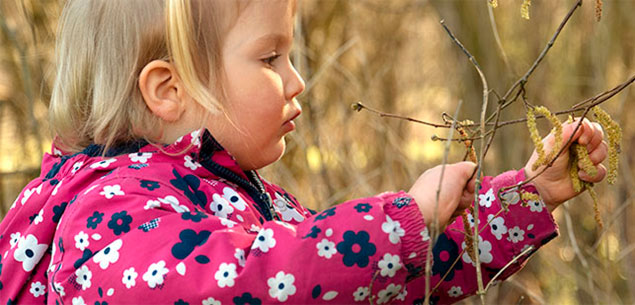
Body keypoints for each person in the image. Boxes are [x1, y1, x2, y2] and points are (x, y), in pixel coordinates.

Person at [0, 0, 608, 304]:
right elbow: (256, 283)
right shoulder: (106, 216)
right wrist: (404, 222)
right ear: (170, 90)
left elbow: (372, 278)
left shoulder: (234, 196)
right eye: (270, 59)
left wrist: (527, 196)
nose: (296, 83)